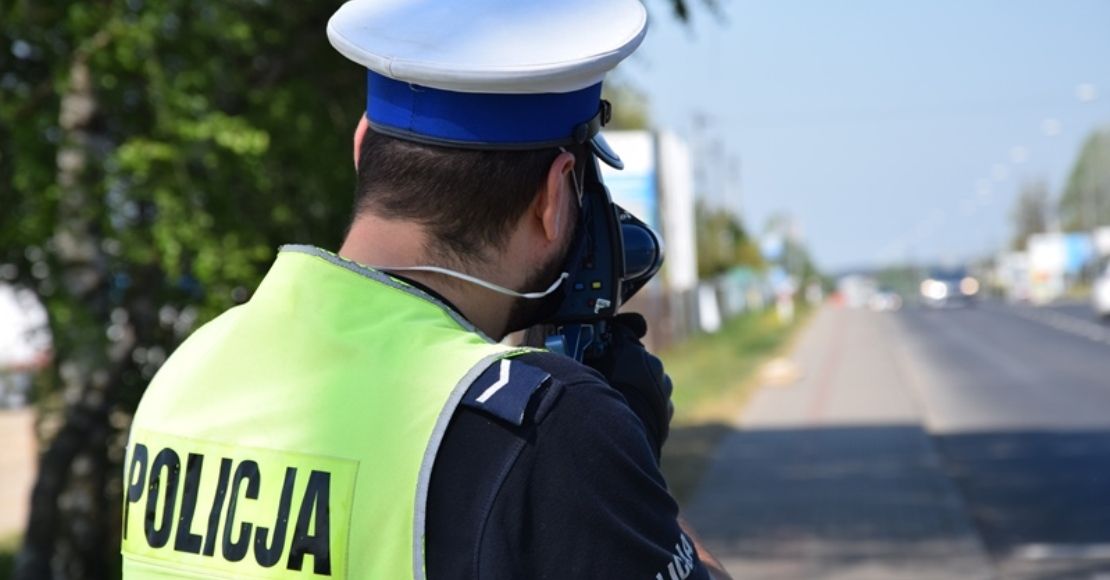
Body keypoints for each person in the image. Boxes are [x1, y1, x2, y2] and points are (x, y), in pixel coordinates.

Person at [121, 0, 731, 578]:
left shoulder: (188, 372)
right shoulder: (546, 425)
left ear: (362, 146)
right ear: (553, 195)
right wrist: (630, 473)